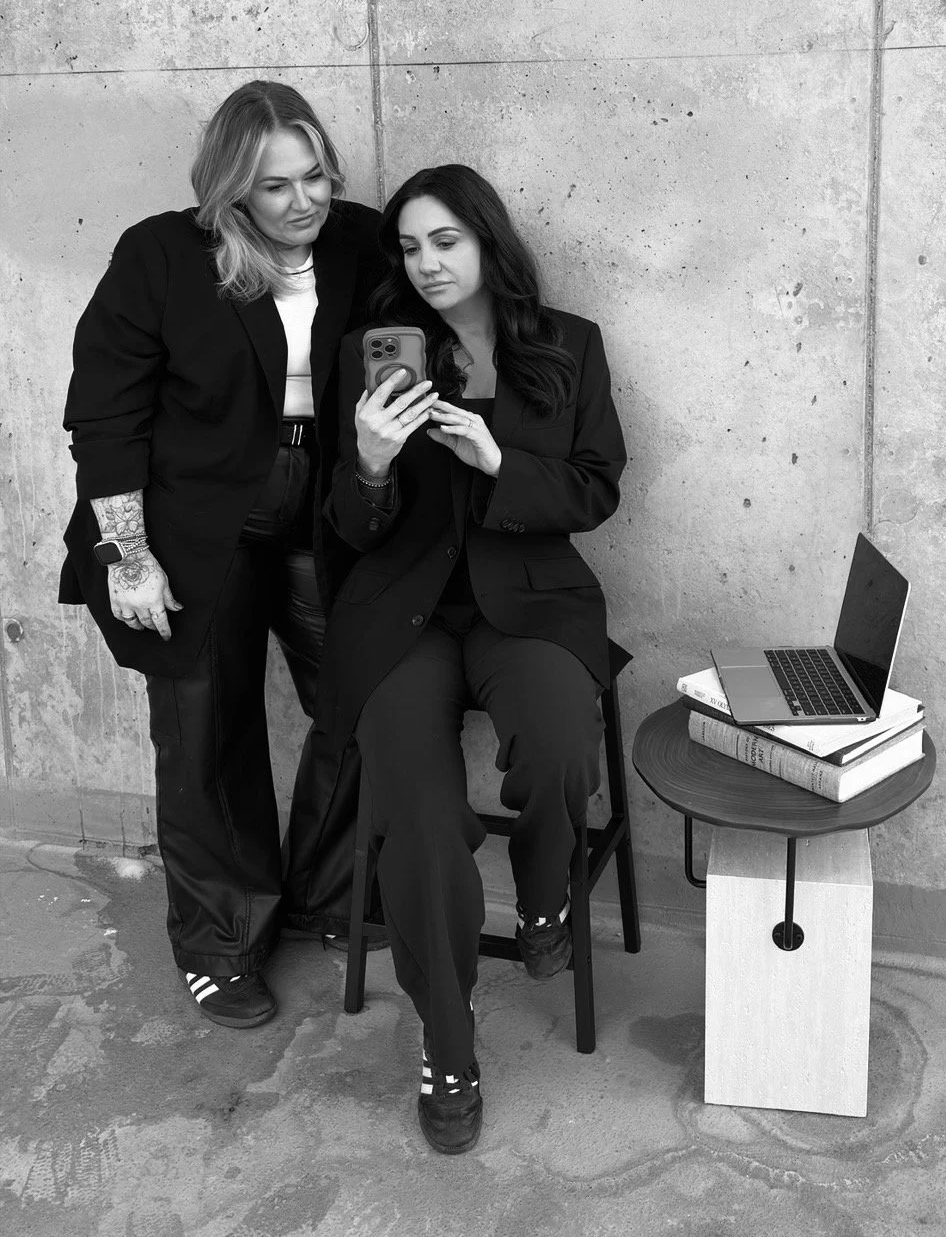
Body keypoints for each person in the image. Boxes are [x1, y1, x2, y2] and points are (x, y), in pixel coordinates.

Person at [59, 81, 385, 1028]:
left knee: (362, 701)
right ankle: (220, 939)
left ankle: (328, 892)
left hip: (325, 504)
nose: (304, 200)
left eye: (315, 175)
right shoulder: (162, 254)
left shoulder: (363, 242)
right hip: (194, 517)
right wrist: (127, 554)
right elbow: (106, 412)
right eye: (276, 185)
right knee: (205, 728)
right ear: (231, 188)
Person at [316, 164, 627, 1155]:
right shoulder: (375, 355)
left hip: (527, 604)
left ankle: (545, 894)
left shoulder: (569, 345)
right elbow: (348, 527)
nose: (428, 263)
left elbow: (596, 488)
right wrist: (369, 464)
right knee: (417, 814)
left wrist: (499, 462)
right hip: (404, 615)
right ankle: (447, 1041)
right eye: (411, 247)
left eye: (445, 241)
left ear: (489, 240)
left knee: (559, 739)